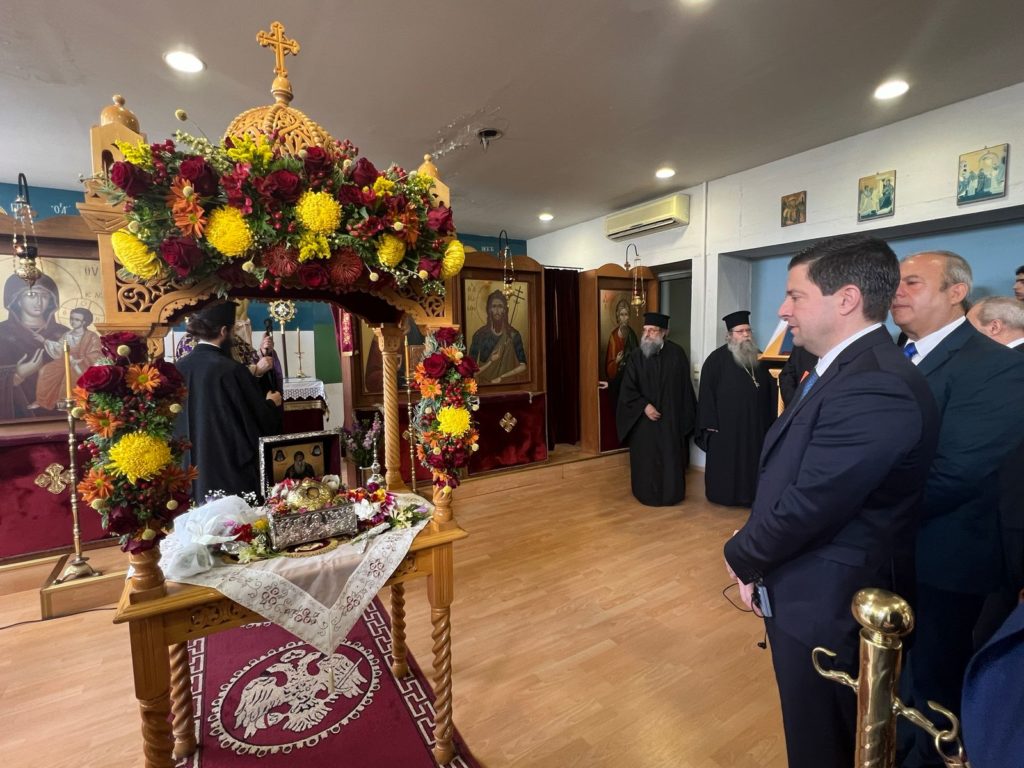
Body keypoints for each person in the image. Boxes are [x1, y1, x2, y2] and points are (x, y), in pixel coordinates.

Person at [723, 234, 939, 768]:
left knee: (824, 742)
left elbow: (813, 502)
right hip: (804, 584)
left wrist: (743, 554)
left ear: (844, 299)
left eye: (795, 295)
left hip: (831, 604)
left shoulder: (876, 385)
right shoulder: (842, 366)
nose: (782, 309)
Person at [889, 250, 1024, 768]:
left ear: (955, 292)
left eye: (913, 282)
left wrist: (867, 511)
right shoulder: (900, 355)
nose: (897, 292)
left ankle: (930, 757)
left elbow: (956, 474)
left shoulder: (995, 366)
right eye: (896, 282)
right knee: (893, 668)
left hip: (946, 556)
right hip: (894, 548)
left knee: (934, 679)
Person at [175, 301, 284, 502]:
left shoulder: (179, 368)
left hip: (188, 467)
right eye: (233, 330)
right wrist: (271, 404)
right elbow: (253, 419)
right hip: (226, 467)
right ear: (224, 331)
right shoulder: (231, 370)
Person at [694, 310, 776, 506]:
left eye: (748, 330)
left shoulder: (761, 358)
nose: (746, 334)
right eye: (740, 331)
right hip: (725, 429)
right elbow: (706, 395)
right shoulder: (716, 361)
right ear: (730, 335)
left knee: (752, 462)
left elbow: (772, 391)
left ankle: (751, 496)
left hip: (755, 426)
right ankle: (724, 495)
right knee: (728, 466)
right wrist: (709, 425)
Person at [616, 312, 696, 506]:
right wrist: (644, 406)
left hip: (670, 422)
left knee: (670, 459)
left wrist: (685, 421)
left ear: (664, 332)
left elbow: (685, 389)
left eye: (653, 330)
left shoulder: (677, 354)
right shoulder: (636, 357)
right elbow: (627, 389)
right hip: (644, 424)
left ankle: (672, 495)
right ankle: (645, 494)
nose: (648, 334)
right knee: (647, 462)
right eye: (645, 330)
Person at [0, 273, 69, 419]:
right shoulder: (2, 333)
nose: (39, 301)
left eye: (44, 296)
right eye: (31, 294)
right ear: (17, 300)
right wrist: (17, 375)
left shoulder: (64, 333)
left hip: (62, 417)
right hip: (15, 421)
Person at [34, 307, 103, 410]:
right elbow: (59, 348)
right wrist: (44, 340)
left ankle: (69, 402)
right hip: (66, 359)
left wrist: (80, 361)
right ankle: (43, 401)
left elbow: (96, 354)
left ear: (84, 322)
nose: (73, 321)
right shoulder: (67, 334)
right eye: (71, 318)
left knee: (71, 372)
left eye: (77, 320)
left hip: (83, 363)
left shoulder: (92, 336)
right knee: (45, 370)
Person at [469, 290, 527, 385]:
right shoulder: (480, 335)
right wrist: (491, 362)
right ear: (489, 310)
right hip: (484, 386)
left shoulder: (513, 335)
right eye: (494, 306)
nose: (497, 311)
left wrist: (502, 377)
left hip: (508, 385)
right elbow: (472, 372)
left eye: (500, 306)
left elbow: (523, 366)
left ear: (505, 310)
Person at [604, 299, 638, 381]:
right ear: (618, 316)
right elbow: (608, 367)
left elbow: (637, 358)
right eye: (621, 315)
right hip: (616, 379)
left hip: (629, 378)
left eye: (626, 314)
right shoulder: (613, 337)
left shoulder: (632, 335)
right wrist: (616, 361)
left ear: (629, 316)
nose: (624, 318)